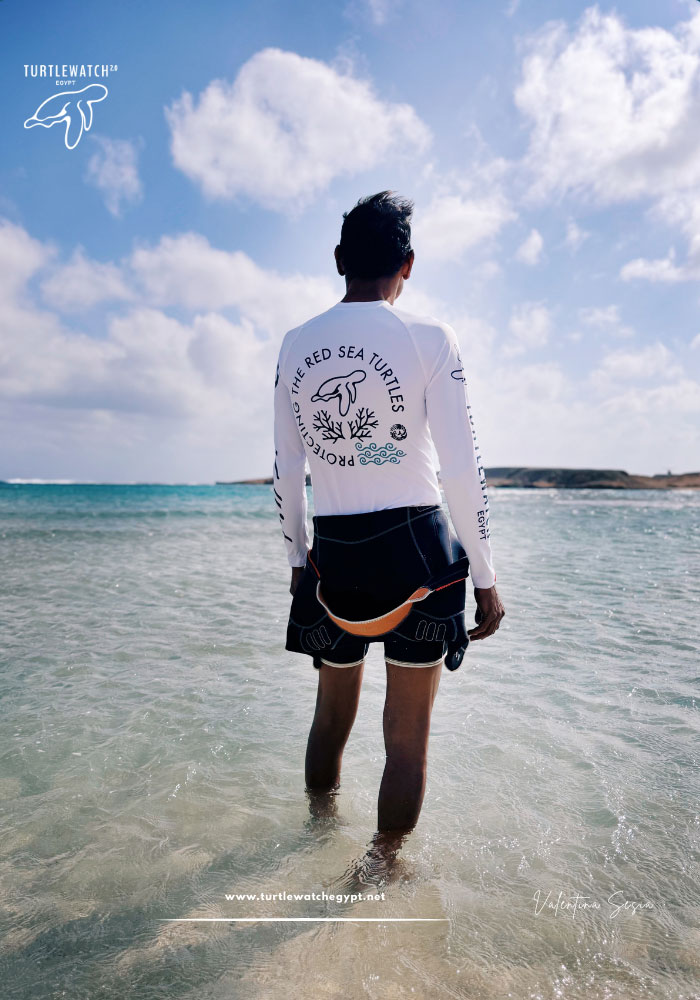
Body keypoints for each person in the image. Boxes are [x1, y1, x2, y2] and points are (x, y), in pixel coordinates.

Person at [272, 191, 505, 845]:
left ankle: (316, 839)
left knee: (329, 718)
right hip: (418, 552)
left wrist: (298, 562)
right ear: (408, 263)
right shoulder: (432, 338)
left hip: (335, 551)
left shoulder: (295, 344)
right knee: (406, 741)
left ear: (338, 259)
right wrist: (485, 576)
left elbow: (286, 470)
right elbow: (461, 471)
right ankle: (380, 871)